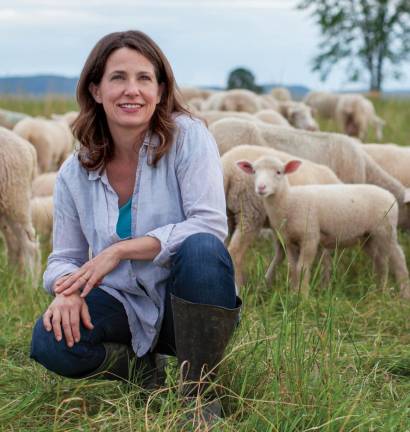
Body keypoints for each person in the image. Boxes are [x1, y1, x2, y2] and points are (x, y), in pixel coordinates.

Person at [30, 30, 241, 425]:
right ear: (95, 89)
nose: (132, 90)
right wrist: (68, 291)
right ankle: (141, 371)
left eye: (144, 78)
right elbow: (65, 258)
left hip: (190, 300)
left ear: (161, 90)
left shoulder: (188, 138)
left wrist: (119, 249)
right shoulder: (74, 173)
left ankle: (199, 391)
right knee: (49, 341)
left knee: (201, 249)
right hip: (125, 303)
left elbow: (210, 226)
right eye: (118, 78)